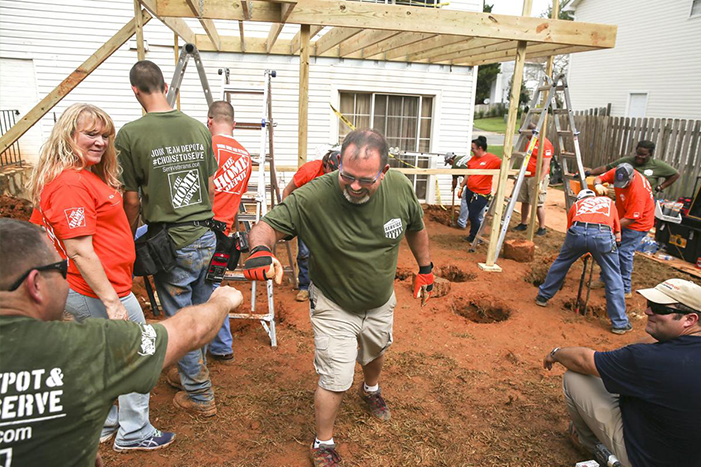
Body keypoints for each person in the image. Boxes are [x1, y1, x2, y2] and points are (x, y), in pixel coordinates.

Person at [242, 129, 433, 467]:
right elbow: (267, 226)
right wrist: (259, 250)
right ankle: (323, 441)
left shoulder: (400, 187)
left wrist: (426, 268)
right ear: (337, 164)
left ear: (384, 173)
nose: (354, 186)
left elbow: (416, 227)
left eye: (365, 179)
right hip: (333, 303)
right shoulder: (314, 196)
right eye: (347, 176)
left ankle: (371, 390)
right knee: (336, 377)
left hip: (379, 299)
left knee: (377, 350)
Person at [0, 218, 243, 467]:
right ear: (35, 285)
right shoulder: (88, 346)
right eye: (62, 269)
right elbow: (190, 330)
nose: (66, 280)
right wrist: (222, 300)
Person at [27, 103, 175, 451]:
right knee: (140, 352)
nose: (100, 142)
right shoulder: (69, 184)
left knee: (102, 357)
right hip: (95, 290)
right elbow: (79, 249)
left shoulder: (81, 176)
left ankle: (107, 422)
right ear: (68, 135)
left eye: (105, 136)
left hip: (101, 286)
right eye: (91, 134)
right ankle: (134, 432)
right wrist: (112, 301)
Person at [116, 60, 219, 416]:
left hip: (171, 242)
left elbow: (131, 200)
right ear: (164, 85)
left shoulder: (130, 135)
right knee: (201, 314)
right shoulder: (197, 127)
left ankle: (200, 395)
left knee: (181, 320)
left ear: (135, 91)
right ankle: (191, 374)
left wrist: (125, 239)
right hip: (206, 236)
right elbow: (208, 185)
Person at [542, 278, 701, 467]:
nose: (647, 311)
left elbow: (583, 361)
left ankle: (595, 447)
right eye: (650, 304)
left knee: (575, 377)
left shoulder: (650, 360)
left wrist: (556, 353)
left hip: (649, 459)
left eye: (660, 308)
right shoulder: (677, 352)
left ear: (690, 319)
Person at [535, 189, 631, 334]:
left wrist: (583, 248)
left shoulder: (576, 205)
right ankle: (619, 323)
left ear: (580, 198)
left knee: (561, 263)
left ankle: (542, 297)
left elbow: (569, 231)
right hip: (602, 235)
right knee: (613, 276)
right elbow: (617, 232)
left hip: (577, 233)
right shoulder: (608, 202)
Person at [206, 100, 252, 361]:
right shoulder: (245, 156)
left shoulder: (207, 147)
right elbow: (238, 195)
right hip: (224, 230)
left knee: (199, 291)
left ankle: (198, 353)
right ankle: (222, 347)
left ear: (210, 121)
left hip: (199, 229)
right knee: (214, 285)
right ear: (234, 124)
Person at [281, 149, 341, 302]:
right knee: (305, 252)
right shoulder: (309, 171)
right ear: (326, 166)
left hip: (327, 214)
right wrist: (287, 215)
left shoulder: (342, 176)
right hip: (306, 214)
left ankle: (327, 288)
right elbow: (287, 190)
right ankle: (304, 287)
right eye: (332, 172)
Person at [593, 163, 654, 298]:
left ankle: (625, 289)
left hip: (637, 225)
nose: (621, 186)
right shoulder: (619, 172)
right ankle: (604, 279)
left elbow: (631, 219)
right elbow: (598, 178)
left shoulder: (638, 192)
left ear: (632, 177)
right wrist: (598, 184)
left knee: (624, 253)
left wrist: (609, 227)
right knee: (609, 247)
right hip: (622, 216)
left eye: (624, 183)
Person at [586, 140, 679, 193]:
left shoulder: (657, 165)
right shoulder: (626, 162)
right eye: (638, 153)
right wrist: (590, 172)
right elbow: (607, 168)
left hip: (645, 200)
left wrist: (661, 187)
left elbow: (675, 174)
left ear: (650, 154)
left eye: (643, 155)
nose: (639, 156)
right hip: (624, 197)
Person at [457, 136, 501, 243]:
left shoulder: (492, 159)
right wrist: (462, 187)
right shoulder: (473, 159)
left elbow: (505, 167)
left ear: (480, 148)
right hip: (470, 190)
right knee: (472, 215)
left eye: (473, 148)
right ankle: (472, 235)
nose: (472, 151)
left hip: (482, 193)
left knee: (473, 214)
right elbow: (468, 175)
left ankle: (478, 237)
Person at [514, 125, 554, 235]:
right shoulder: (531, 142)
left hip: (537, 176)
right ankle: (523, 223)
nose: (526, 137)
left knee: (537, 203)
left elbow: (546, 165)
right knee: (525, 201)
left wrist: (539, 181)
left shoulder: (545, 144)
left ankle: (542, 227)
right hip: (526, 175)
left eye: (527, 134)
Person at [444, 151, 472, 230]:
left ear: (451, 160)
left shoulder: (455, 166)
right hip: (482, 176)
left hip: (473, 180)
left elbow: (454, 181)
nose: (450, 165)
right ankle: (475, 221)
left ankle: (461, 223)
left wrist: (453, 187)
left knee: (465, 201)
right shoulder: (464, 156)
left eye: (449, 163)